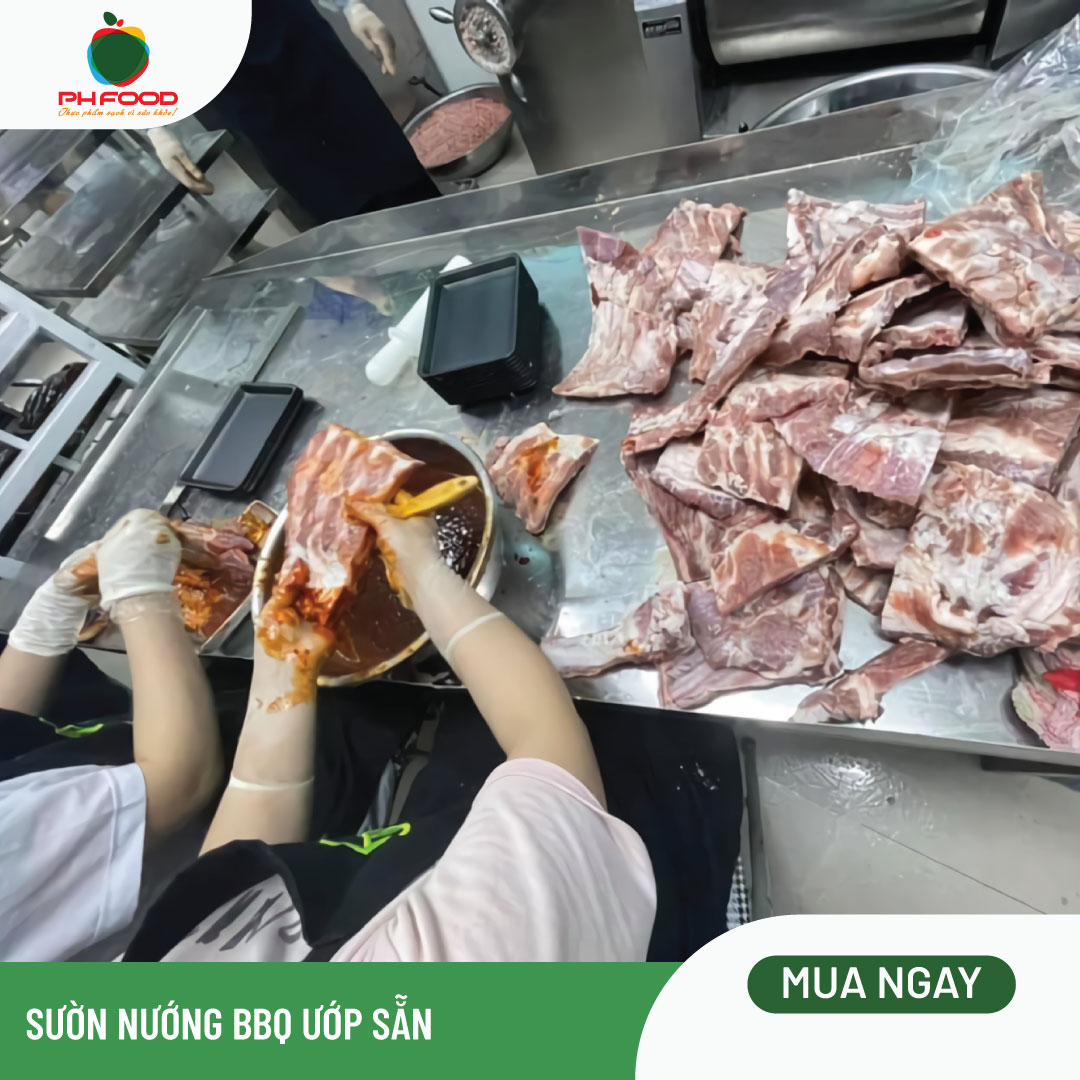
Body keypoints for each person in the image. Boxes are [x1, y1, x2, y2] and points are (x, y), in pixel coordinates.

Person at [0, 510, 223, 961]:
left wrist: (49, 617)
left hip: (153, 735)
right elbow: (179, 783)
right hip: (231, 826)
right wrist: (140, 599)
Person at [149, 0, 439, 225]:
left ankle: (449, 236)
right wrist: (156, 125)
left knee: (392, 167)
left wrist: (352, 6)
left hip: (301, 41)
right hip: (237, 88)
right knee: (341, 208)